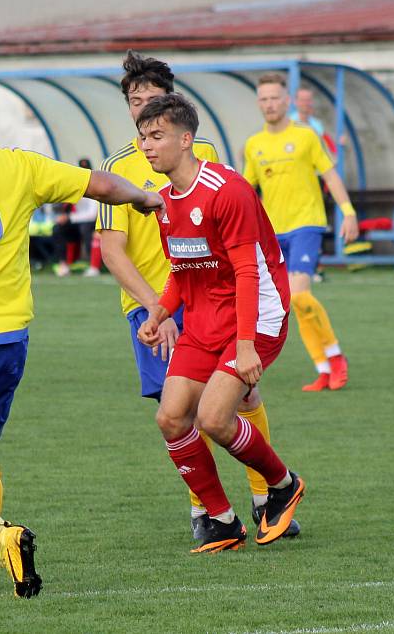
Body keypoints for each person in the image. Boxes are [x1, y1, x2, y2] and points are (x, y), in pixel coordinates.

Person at [0, 66, 163, 596]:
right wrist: (144, 198)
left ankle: (0, 535)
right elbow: (99, 185)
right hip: (8, 339)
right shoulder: (17, 165)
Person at [97, 51, 297, 542]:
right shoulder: (163, 202)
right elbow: (183, 273)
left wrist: (247, 345)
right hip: (204, 314)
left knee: (214, 415)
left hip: (257, 316)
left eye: (157, 135)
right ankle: (221, 520)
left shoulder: (225, 189)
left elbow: (249, 272)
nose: (146, 146)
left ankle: (281, 485)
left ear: (186, 140)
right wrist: (159, 311)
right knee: (170, 417)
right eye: (143, 136)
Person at [244, 73, 359, 392]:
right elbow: (246, 190)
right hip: (273, 233)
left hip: (306, 224)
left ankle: (335, 357)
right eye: (263, 99)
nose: (269, 104)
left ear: (287, 101)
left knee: (300, 295)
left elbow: (331, 176)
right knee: (292, 304)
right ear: (259, 104)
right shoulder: (254, 145)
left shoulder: (307, 136)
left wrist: (348, 211)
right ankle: (323, 369)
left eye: (274, 98)